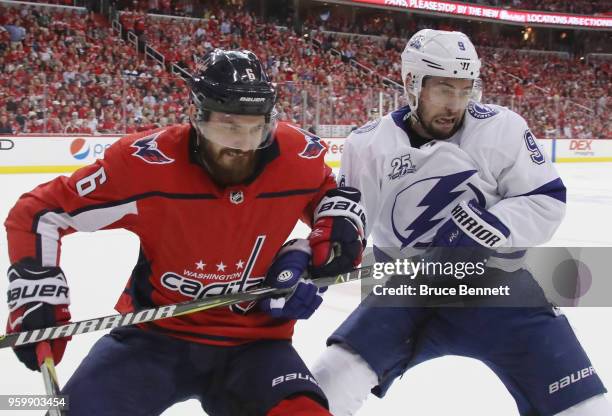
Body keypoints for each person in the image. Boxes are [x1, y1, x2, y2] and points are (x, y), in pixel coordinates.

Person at [4, 49, 366, 416]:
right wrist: (39, 290)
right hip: (153, 336)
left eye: (254, 128)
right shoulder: (144, 164)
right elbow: (39, 213)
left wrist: (336, 231)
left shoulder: (297, 157)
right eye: (227, 125)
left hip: (256, 345)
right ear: (198, 117)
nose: (241, 146)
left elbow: (328, 199)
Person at [312, 30, 611, 416]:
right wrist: (324, 258)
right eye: (443, 90)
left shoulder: (500, 129)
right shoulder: (368, 145)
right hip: (409, 294)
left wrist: (486, 229)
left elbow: (546, 198)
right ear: (411, 83)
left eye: (465, 90)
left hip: (502, 292)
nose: (455, 105)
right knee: (326, 383)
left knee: (587, 410)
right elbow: (352, 226)